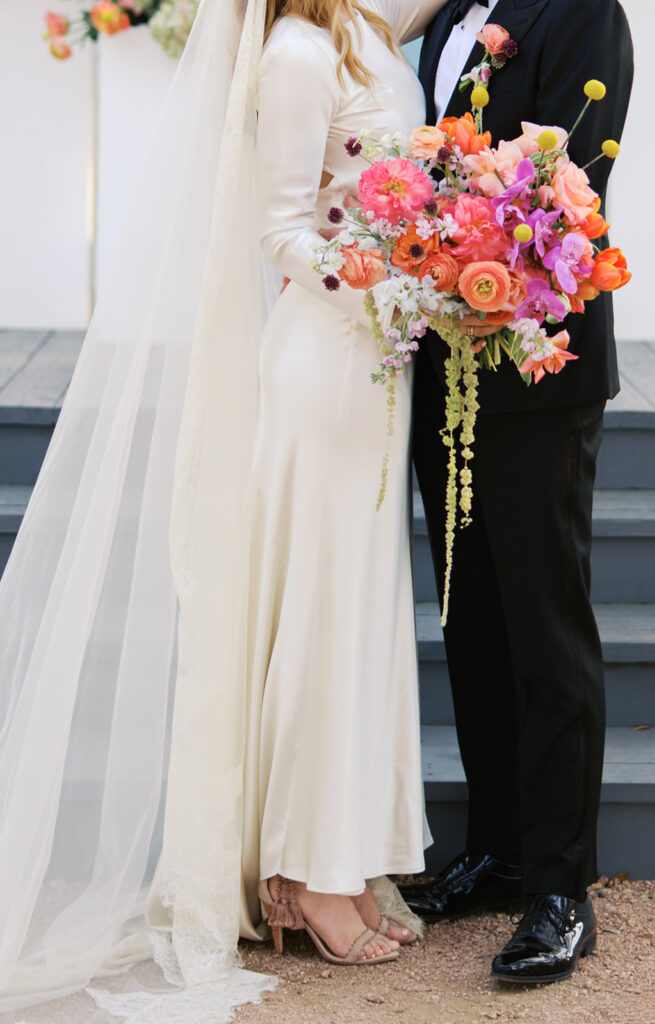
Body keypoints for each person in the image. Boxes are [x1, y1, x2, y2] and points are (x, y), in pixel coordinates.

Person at [0, 0, 451, 1019]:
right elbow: (281, 227)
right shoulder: (294, 55)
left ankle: (331, 856)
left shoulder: (370, 35)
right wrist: (385, 275)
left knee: (352, 617)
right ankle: (303, 874)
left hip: (378, 369)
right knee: (316, 621)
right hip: (325, 358)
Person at [400, 0, 634, 985]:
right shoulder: (451, 10)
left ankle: (558, 889)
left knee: (545, 629)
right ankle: (496, 847)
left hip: (538, 371)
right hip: (441, 367)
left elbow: (567, 185)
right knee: (473, 620)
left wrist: (459, 238)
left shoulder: (586, 12)